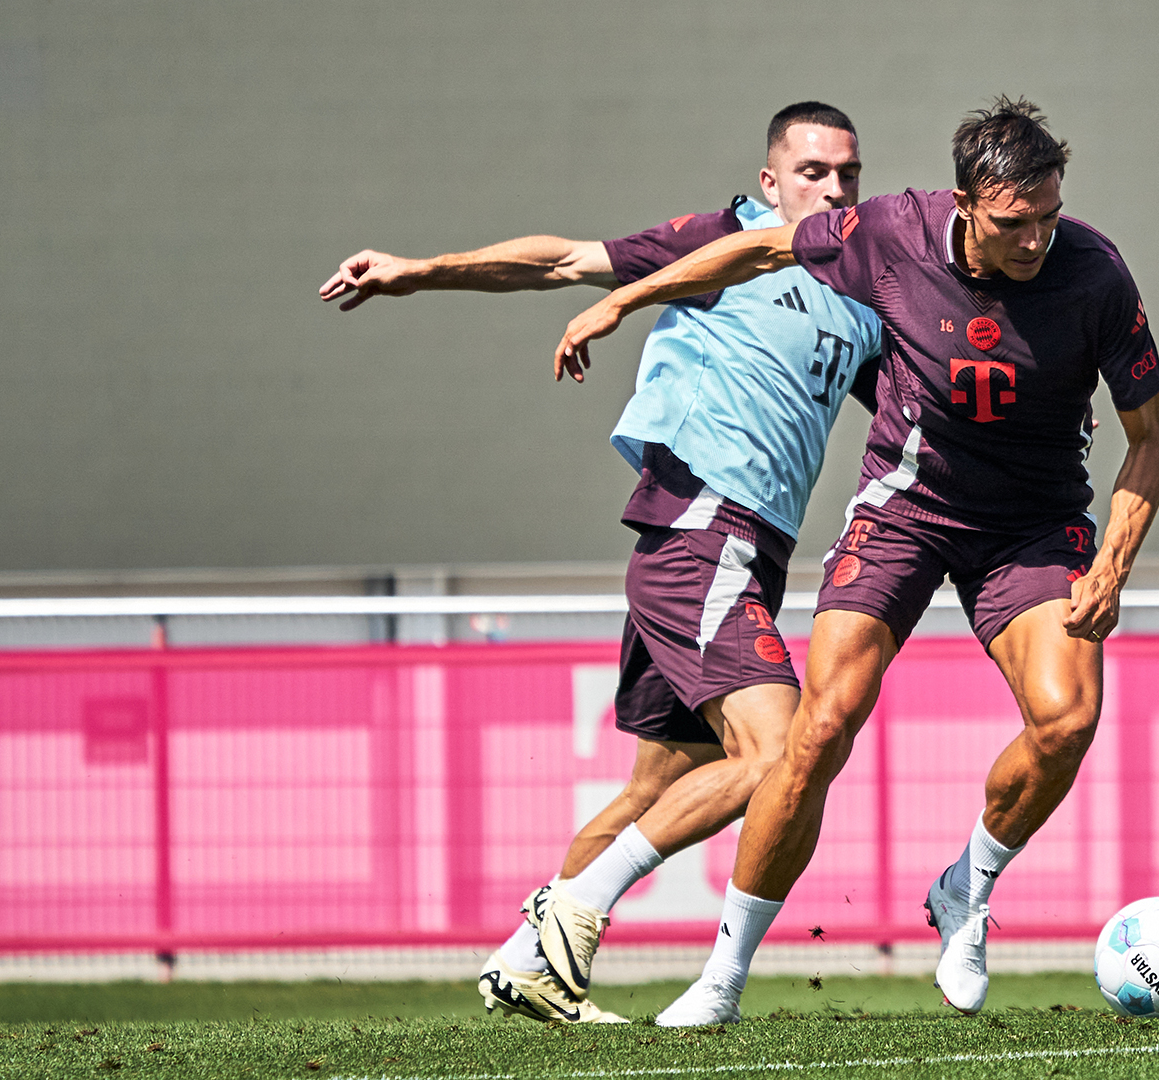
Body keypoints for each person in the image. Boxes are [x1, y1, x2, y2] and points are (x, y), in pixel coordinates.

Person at [554, 97, 1159, 1026]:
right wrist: (623, 297)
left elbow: (1152, 442)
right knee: (819, 728)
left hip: (1034, 527)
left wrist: (1115, 563)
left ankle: (968, 887)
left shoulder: (1095, 274)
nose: (1038, 239)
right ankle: (722, 981)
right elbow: (758, 249)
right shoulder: (890, 232)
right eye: (1015, 223)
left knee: (1069, 718)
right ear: (967, 203)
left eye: (1049, 214)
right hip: (906, 512)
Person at [318, 102, 883, 1024]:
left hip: (741, 555)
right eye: (813, 171)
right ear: (770, 181)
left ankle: (524, 965)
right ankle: (572, 915)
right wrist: (418, 271)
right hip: (704, 531)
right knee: (783, 754)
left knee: (656, 789)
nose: (833, 188)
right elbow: (560, 261)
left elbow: (927, 400)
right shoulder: (724, 241)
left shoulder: (858, 297)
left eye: (847, 173)